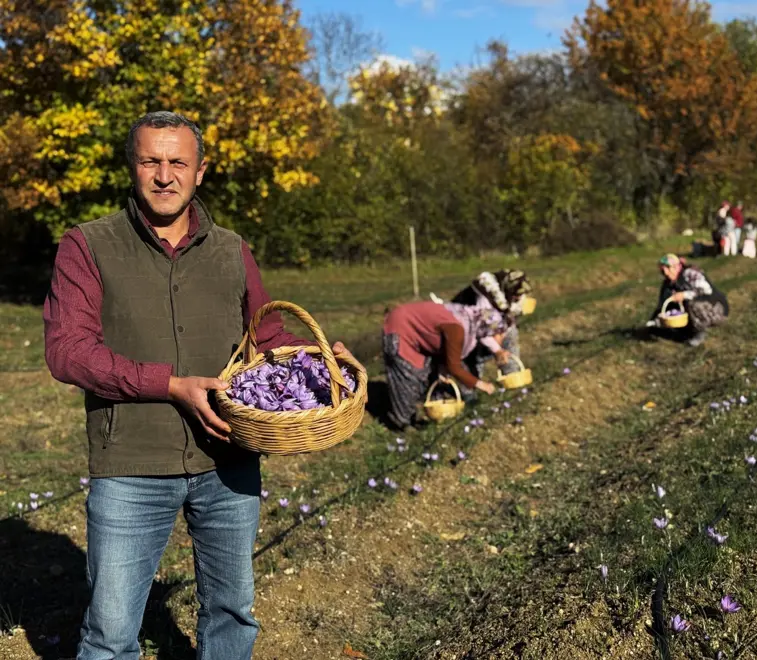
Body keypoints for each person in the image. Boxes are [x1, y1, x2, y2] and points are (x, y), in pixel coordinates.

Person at [43, 111, 356, 660]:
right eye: (151, 161)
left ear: (200, 171)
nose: (165, 175)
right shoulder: (88, 245)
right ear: (133, 167)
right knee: (111, 634)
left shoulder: (231, 249)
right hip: (131, 465)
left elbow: (267, 336)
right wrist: (168, 384)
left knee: (232, 614)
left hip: (228, 458)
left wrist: (315, 358)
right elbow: (67, 351)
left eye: (178, 162)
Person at [382, 300, 498, 429]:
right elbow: (454, 367)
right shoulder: (457, 329)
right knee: (407, 375)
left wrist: (443, 368)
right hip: (399, 328)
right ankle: (403, 423)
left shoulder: (462, 318)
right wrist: (481, 384)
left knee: (423, 374)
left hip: (409, 328)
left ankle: (413, 415)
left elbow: (442, 347)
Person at [450, 269, 532, 383]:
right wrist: (497, 350)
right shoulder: (486, 299)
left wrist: (502, 332)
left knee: (511, 334)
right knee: (473, 354)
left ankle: (512, 375)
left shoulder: (509, 296)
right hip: (465, 327)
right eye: (517, 295)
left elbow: (509, 316)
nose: (519, 298)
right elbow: (481, 328)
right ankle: (469, 387)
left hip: (485, 326)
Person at [646, 254, 729, 347]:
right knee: (673, 306)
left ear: (678, 267)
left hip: (716, 309)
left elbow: (707, 291)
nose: (666, 272)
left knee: (691, 303)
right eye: (663, 270)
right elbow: (662, 304)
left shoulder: (690, 274)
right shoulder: (667, 284)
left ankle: (699, 333)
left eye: (668, 268)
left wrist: (684, 295)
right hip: (694, 312)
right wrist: (654, 322)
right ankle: (686, 331)